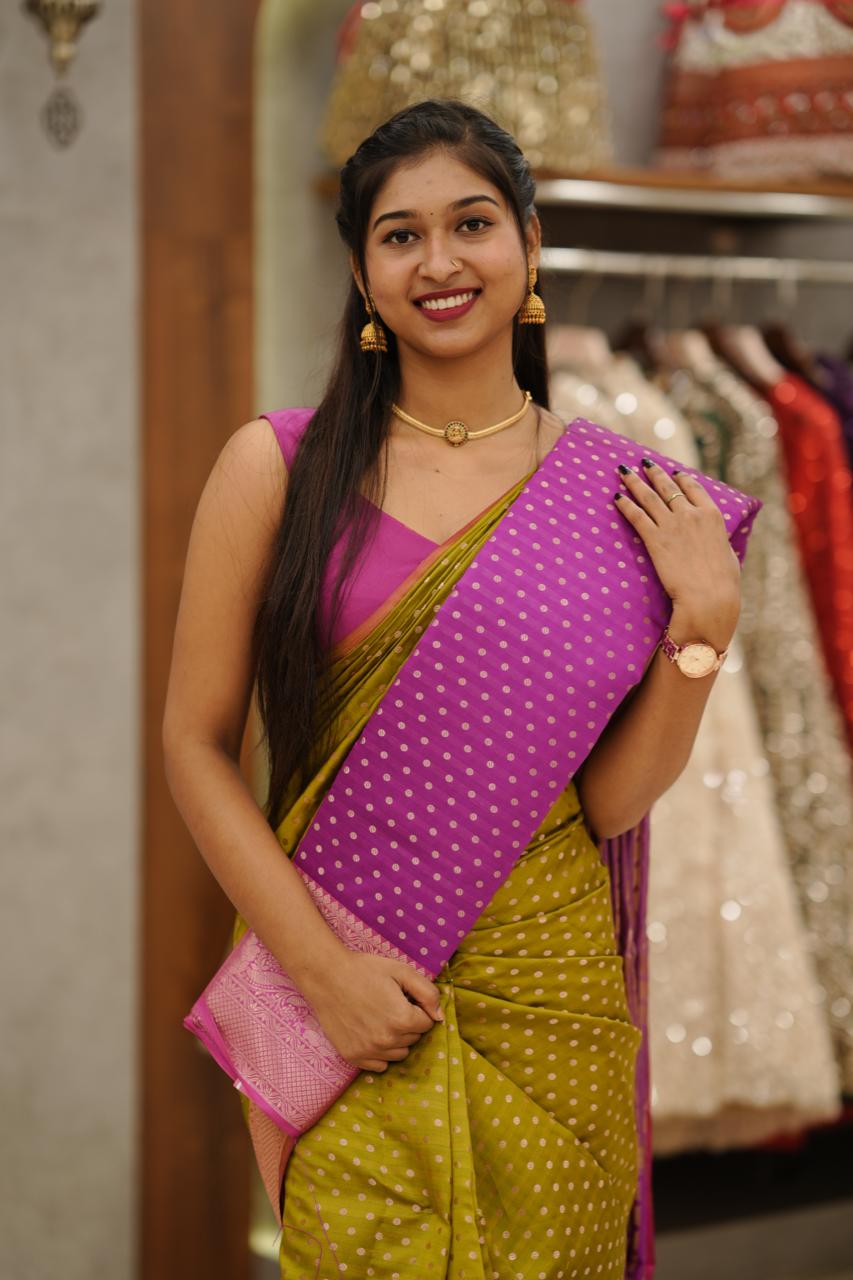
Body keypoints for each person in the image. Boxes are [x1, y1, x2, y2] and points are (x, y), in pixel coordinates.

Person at [163, 99, 743, 1280]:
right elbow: (193, 743)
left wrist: (702, 633)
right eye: (400, 234)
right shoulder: (279, 467)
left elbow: (609, 803)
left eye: (471, 223)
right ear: (362, 272)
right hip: (350, 1000)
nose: (439, 262)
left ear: (528, 244)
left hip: (554, 1004)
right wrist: (322, 975)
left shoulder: (624, 498)